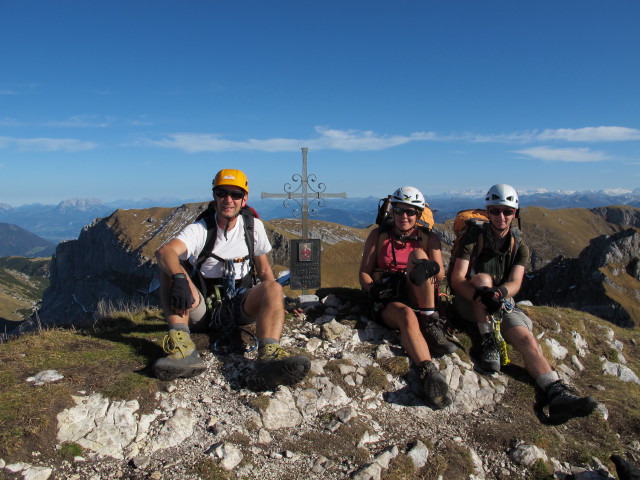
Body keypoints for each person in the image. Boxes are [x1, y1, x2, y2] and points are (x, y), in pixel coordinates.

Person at [449, 183, 598, 424]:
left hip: (500, 302)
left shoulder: (519, 245)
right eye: (495, 211)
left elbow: (516, 283)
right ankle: (490, 340)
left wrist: (498, 295)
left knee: (527, 339)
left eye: (507, 211)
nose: (501, 216)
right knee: (483, 278)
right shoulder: (472, 238)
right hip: (468, 302)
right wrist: (482, 294)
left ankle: (556, 392)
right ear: (488, 212)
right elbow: (457, 280)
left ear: (515, 213)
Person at [153, 168, 311, 390]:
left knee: (273, 286)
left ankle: (269, 357)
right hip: (202, 310)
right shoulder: (200, 229)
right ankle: (183, 350)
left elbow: (264, 271)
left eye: (235, 194)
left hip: (240, 306)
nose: (228, 200)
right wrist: (179, 276)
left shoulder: (253, 227)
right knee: (168, 270)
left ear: (244, 198)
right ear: (214, 196)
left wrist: (277, 300)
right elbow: (165, 252)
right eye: (222, 193)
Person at [359, 186, 456, 410]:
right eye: (400, 210)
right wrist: (373, 290)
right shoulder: (379, 235)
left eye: (411, 212)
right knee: (406, 316)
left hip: (418, 293)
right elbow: (364, 272)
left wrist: (428, 266)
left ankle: (430, 320)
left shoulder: (427, 238)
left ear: (419, 214)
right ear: (392, 211)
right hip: (388, 296)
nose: (405, 216)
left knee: (419, 256)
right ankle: (429, 372)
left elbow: (440, 274)